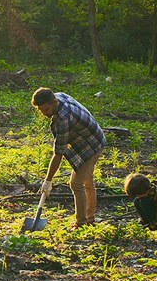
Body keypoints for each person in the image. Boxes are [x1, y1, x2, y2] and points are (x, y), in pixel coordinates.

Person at [31, 87, 106, 228]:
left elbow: (59, 153)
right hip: (89, 137)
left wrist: (48, 180)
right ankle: (89, 219)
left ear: (53, 103)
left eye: (46, 110)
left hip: (92, 144)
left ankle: (82, 223)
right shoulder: (58, 97)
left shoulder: (63, 119)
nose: (44, 114)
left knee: (77, 183)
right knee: (87, 181)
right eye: (40, 111)